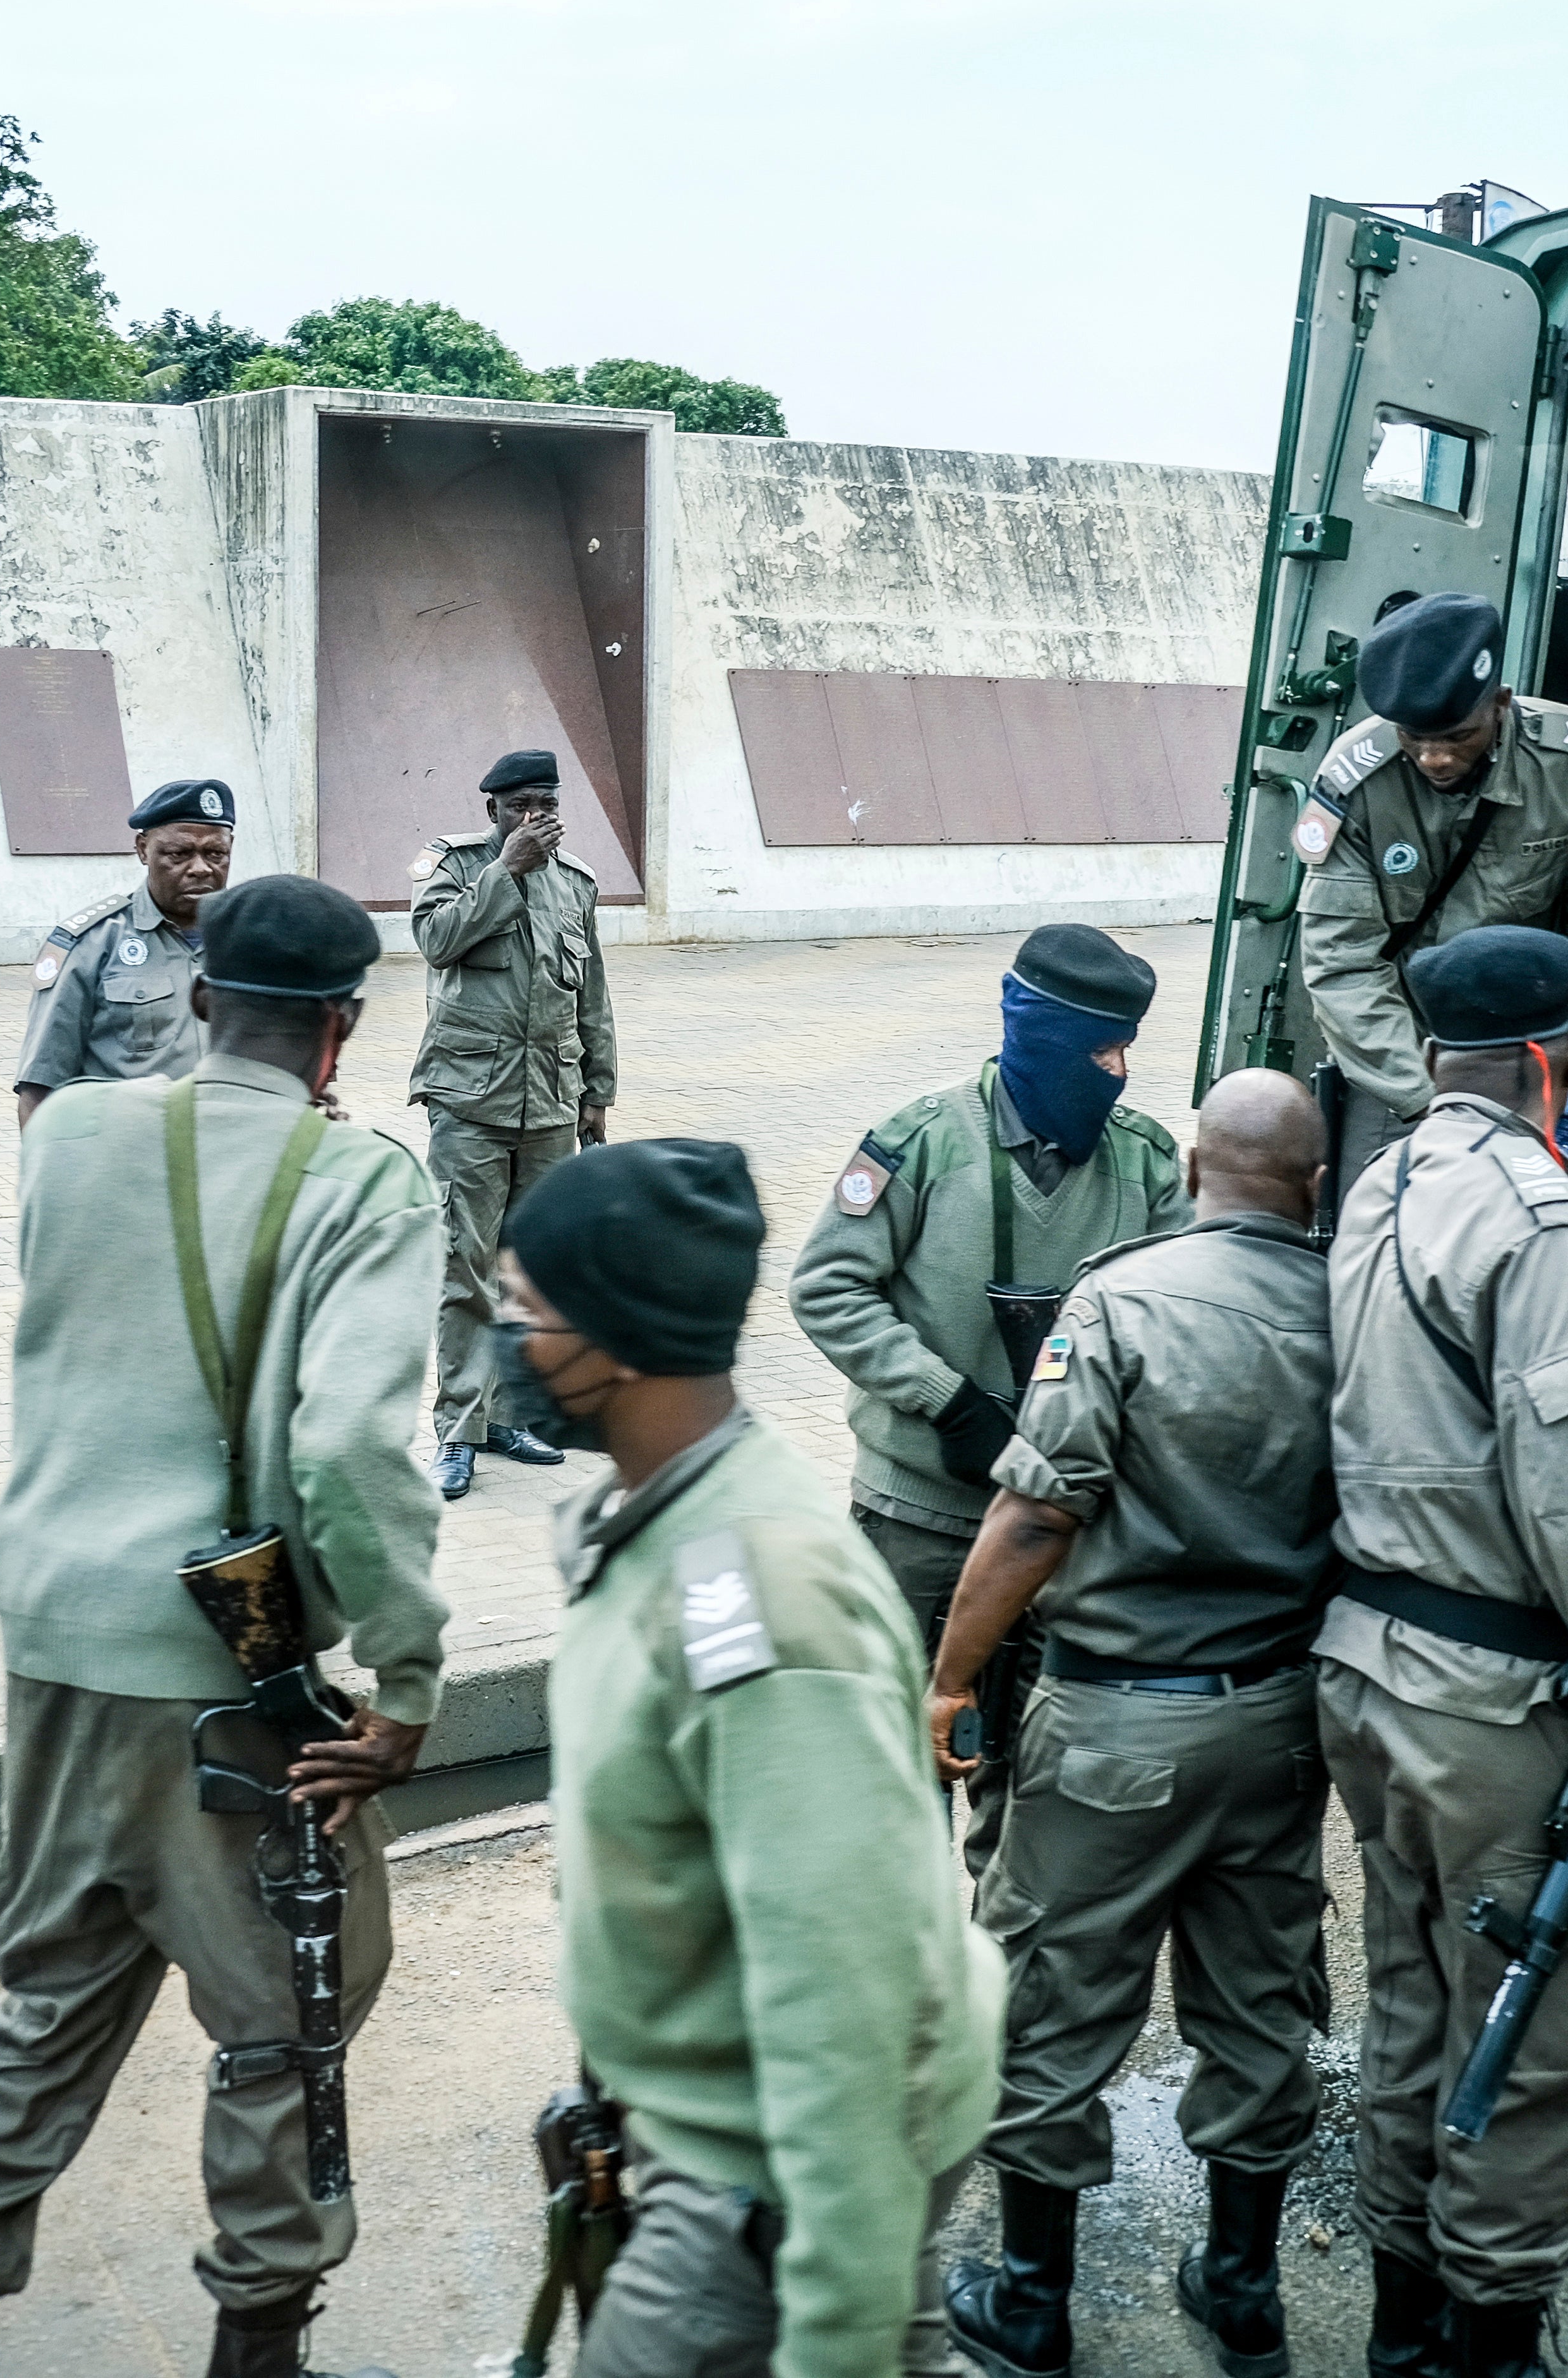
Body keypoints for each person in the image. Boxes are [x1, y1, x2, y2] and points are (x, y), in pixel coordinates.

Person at [0, 876, 447, 2378]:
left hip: (53, 1636)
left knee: (55, 1983)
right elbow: (349, 1451)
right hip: (221, 1672)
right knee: (286, 2011)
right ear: (345, 1025)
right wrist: (405, 1674)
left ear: (200, 998)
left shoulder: (66, 1137)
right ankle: (257, 2346)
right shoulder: (363, 1185)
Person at [514, 1139, 1004, 2378]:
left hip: (768, 2167)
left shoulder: (752, 1602)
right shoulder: (664, 1518)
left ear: (618, 1341)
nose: (503, 1339)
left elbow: (844, 1996)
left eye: (527, 1309)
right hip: (722, 2124)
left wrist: (834, 2328)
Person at [1315, 923, 1568, 2378]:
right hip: (1486, 1704)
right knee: (1537, 2039)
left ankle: (1401, 2334)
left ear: (1437, 1059)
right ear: (1558, 1059)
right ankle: (1486, 2349)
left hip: (1372, 1670)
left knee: (1416, 2008)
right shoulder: (1544, 1223)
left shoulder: (1379, 1184)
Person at [932, 1069, 1339, 2378]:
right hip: (1279, 1720)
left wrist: (951, 1676)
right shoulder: (1351, 1303)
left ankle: (1032, 2305)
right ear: (1313, 1184)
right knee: (1259, 2005)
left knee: (1050, 2009)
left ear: (1192, 1169)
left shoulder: (1120, 1296)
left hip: (1116, 1724)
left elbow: (1037, 1513)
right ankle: (1243, 2292)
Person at [788, 923, 1189, 1879]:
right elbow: (828, 1288)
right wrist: (946, 1399)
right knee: (894, 1752)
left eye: (1126, 1049)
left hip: (1062, 1527)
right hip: (920, 1516)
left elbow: (1180, 1316)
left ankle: (1006, 1949)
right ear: (1044, 1040)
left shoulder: (1144, 1163)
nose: (1119, 1073)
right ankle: (901, 1945)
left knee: (1036, 1772)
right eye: (1102, 1051)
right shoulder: (922, 1142)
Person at [1289, 592, 1568, 1189]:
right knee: (1382, 1209)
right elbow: (1341, 962)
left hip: (1532, 1042)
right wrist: (1429, 1100)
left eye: (1457, 736)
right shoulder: (1358, 782)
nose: (1434, 758)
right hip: (1403, 1047)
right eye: (1414, 738)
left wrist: (1561, 1048)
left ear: (1501, 703)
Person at [407, 748, 617, 1499]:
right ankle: (459, 1431)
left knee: (529, 1273)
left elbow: (592, 994)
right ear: (492, 808)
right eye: (522, 804)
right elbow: (436, 942)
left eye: (547, 804)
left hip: (551, 1102)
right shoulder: (458, 866)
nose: (537, 817)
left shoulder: (577, 884)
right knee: (465, 1267)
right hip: (470, 1101)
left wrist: (598, 1091)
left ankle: (508, 1417)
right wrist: (507, 870)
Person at [13, 776, 239, 1124]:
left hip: (232, 1146)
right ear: (143, 849)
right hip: (129, 1149)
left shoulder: (255, 941)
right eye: (179, 854)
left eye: (216, 854)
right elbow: (40, 1087)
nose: (200, 869)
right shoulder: (91, 944)